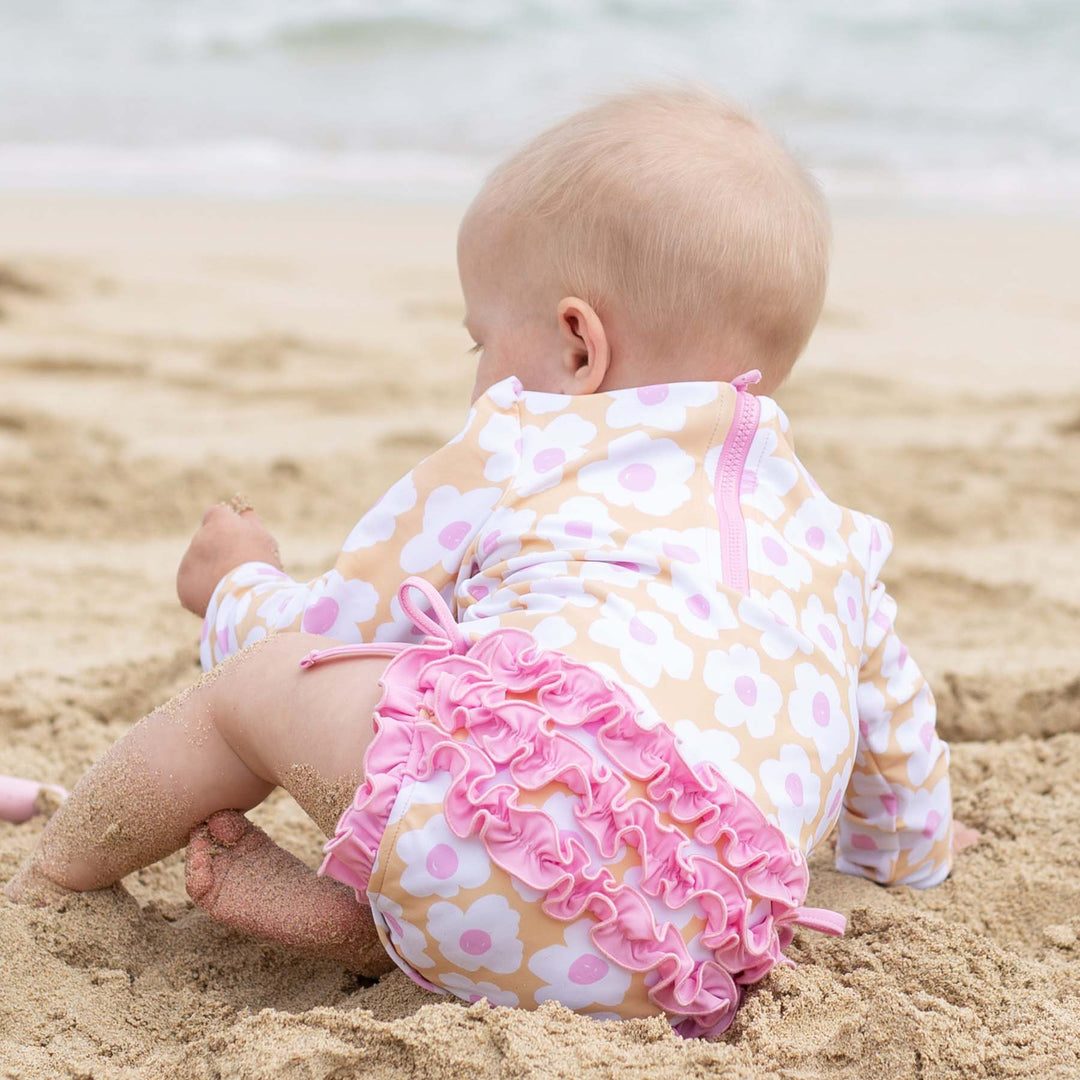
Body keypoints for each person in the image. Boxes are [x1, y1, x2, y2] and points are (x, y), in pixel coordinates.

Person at [7, 86, 963, 1037]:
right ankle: (373, 931)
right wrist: (909, 862)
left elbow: (330, 635)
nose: (474, 373)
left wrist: (234, 590)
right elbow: (899, 758)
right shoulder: (839, 542)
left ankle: (54, 879)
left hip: (484, 854)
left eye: (478, 339)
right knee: (486, 792)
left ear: (577, 343)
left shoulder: (522, 440)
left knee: (259, 689)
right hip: (691, 954)